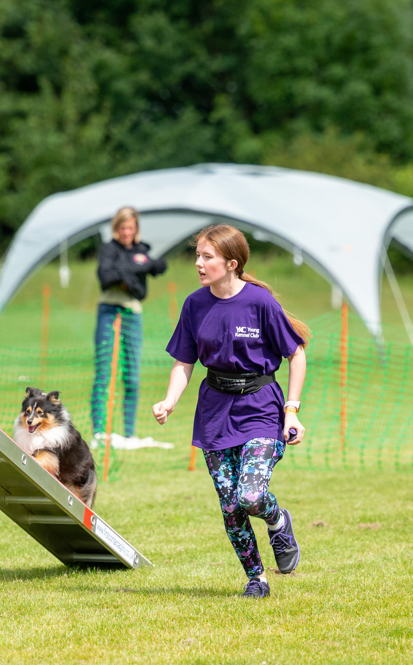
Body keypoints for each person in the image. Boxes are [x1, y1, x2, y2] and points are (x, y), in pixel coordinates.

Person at [152, 224, 310, 599]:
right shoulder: (194, 304)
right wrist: (170, 400)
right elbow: (184, 362)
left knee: (251, 496)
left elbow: (296, 353)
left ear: (231, 263)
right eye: (197, 256)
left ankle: (277, 519)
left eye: (207, 257)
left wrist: (292, 410)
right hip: (214, 413)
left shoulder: (260, 302)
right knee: (230, 505)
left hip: (260, 409)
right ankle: (257, 578)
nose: (199, 263)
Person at [91, 206, 167, 447]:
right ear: (117, 228)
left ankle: (129, 432)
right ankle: (99, 432)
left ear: (136, 229)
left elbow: (158, 266)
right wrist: (132, 271)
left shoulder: (141, 249)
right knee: (104, 373)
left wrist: (124, 271)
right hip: (108, 311)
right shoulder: (108, 249)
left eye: (130, 228)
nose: (126, 232)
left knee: (132, 376)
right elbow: (105, 276)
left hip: (133, 314)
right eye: (123, 228)